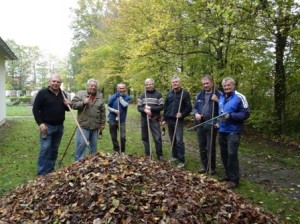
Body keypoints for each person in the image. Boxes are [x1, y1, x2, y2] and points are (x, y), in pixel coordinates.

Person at [32, 74, 71, 176]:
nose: (55, 83)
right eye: (53, 81)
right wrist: (40, 123)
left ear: (60, 83)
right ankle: (41, 173)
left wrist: (68, 103)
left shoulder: (63, 94)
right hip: (47, 127)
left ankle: (50, 170)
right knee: (45, 149)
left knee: (54, 149)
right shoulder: (42, 93)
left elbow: (67, 109)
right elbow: (35, 109)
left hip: (59, 127)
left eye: (58, 82)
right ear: (49, 82)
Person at [218, 77, 250, 189]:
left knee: (232, 154)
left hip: (233, 131)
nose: (226, 87)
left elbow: (245, 114)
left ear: (233, 85)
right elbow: (220, 113)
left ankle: (234, 180)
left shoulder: (240, 97)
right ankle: (228, 174)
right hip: (222, 130)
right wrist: (218, 122)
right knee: (224, 154)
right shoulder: (221, 97)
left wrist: (230, 116)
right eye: (225, 86)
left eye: (228, 85)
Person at [193, 75, 222, 175]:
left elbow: (224, 109)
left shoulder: (218, 94)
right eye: (204, 84)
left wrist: (218, 101)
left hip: (211, 123)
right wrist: (196, 114)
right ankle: (204, 166)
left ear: (212, 83)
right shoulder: (199, 94)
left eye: (207, 83)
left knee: (210, 146)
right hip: (200, 123)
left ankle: (212, 167)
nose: (205, 85)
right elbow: (194, 107)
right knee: (201, 146)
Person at [71, 79, 106, 161]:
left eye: (95, 86)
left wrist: (102, 124)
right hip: (83, 125)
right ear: (87, 86)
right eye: (91, 85)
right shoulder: (80, 94)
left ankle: (92, 162)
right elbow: (72, 104)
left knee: (93, 146)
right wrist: (82, 103)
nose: (93, 87)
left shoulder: (99, 97)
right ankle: (78, 163)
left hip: (95, 126)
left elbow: (103, 112)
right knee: (81, 145)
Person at [162, 76, 192, 168]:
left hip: (178, 120)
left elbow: (189, 107)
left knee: (179, 140)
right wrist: (164, 119)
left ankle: (181, 160)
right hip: (169, 119)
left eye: (176, 82)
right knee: (172, 139)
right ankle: (175, 156)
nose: (175, 84)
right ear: (171, 83)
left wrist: (182, 114)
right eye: (173, 82)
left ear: (180, 83)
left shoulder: (185, 94)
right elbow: (166, 107)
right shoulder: (169, 94)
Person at [137, 78, 164, 160]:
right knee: (145, 137)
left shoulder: (158, 94)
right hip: (144, 118)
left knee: (157, 137)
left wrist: (151, 108)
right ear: (145, 85)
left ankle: (159, 154)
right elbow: (139, 107)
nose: (148, 86)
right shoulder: (142, 95)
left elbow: (161, 107)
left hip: (154, 119)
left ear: (153, 84)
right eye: (147, 84)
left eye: (150, 84)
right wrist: (144, 110)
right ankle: (148, 153)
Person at [107, 83, 131, 153]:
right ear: (117, 89)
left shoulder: (127, 97)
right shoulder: (113, 97)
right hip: (112, 119)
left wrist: (120, 98)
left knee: (122, 137)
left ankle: (122, 151)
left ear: (125, 89)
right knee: (113, 136)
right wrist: (114, 110)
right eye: (120, 88)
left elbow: (125, 105)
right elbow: (108, 106)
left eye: (123, 88)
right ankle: (116, 150)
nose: (122, 90)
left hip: (122, 120)